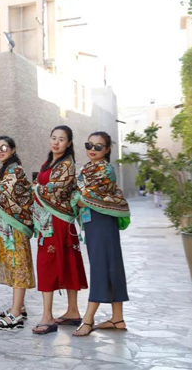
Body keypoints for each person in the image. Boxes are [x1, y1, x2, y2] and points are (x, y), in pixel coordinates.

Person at [72, 132, 131, 336]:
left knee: (100, 267)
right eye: (89, 144)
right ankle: (117, 319)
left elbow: (83, 196)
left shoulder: (106, 170)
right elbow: (79, 195)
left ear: (107, 150)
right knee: (111, 266)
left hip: (103, 222)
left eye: (98, 146)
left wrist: (78, 198)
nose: (93, 149)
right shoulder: (86, 168)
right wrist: (78, 197)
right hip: (93, 222)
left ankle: (88, 320)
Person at [32, 126, 88, 335]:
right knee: (59, 262)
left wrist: (35, 188)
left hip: (59, 221)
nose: (56, 142)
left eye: (61, 139)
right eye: (53, 138)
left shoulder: (67, 165)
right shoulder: (49, 163)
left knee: (50, 263)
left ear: (69, 143)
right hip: (49, 220)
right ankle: (72, 311)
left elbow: (55, 190)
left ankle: (48, 316)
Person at [0, 136, 36, 331]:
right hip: (10, 226)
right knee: (14, 264)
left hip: (15, 226)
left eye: (4, 147)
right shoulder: (6, 169)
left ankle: (15, 314)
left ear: (13, 149)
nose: (0, 151)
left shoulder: (15, 170)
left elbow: (2, 194)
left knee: (18, 266)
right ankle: (19, 306)